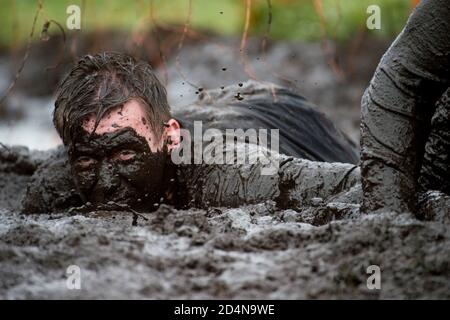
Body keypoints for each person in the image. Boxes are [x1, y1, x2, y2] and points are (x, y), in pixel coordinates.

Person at [21, 52, 360, 213]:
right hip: (208, 110)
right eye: (86, 163)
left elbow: (361, 182)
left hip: (284, 115)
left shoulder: (227, 174)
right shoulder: (55, 183)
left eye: (125, 155)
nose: (106, 183)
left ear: (170, 137)